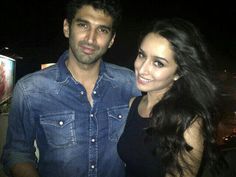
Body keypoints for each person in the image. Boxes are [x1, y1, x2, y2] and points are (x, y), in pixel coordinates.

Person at [1, 0, 141, 177]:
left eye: (102, 30)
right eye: (83, 25)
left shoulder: (129, 83)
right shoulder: (30, 90)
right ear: (67, 28)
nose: (91, 38)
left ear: (112, 40)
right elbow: (17, 152)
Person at [117, 18, 221, 177]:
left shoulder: (188, 122)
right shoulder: (134, 104)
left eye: (158, 63)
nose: (142, 68)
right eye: (141, 55)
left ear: (178, 73)